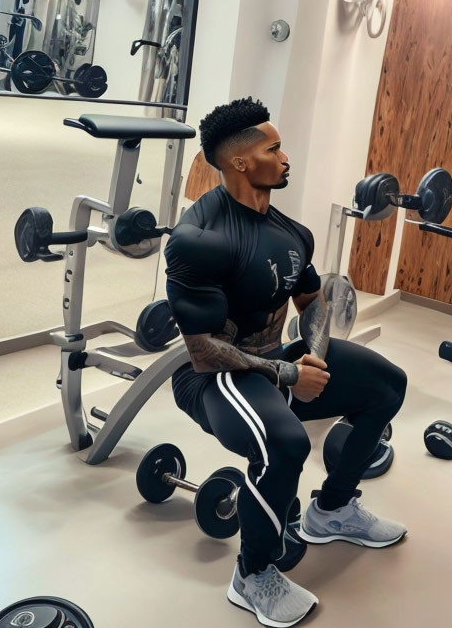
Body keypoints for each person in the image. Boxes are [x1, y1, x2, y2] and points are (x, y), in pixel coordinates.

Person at [165, 97, 408, 627]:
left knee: (387, 386)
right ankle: (252, 575)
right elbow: (202, 346)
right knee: (286, 443)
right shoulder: (198, 240)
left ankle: (332, 510)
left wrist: (314, 360)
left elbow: (311, 302)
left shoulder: (291, 233)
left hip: (280, 359)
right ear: (240, 163)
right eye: (273, 148)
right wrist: (287, 375)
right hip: (214, 378)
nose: (286, 157)